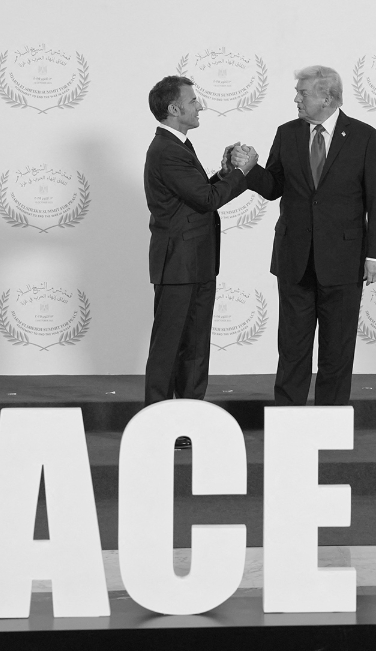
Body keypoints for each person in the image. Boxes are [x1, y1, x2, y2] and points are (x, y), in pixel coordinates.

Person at [239, 65, 376, 406]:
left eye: (302, 93)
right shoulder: (287, 133)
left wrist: (375, 254)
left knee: (337, 348)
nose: (296, 99)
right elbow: (274, 187)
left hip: (344, 260)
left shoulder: (364, 137)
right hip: (295, 258)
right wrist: (250, 170)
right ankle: (287, 416)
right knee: (292, 346)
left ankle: (330, 419)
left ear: (327, 98)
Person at [142, 75, 257, 447]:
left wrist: (223, 174)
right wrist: (241, 173)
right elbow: (207, 201)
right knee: (170, 348)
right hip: (179, 264)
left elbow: (196, 194)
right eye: (193, 101)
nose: (200, 106)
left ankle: (188, 423)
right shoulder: (166, 150)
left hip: (196, 262)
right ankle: (158, 426)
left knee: (194, 347)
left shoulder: (178, 146)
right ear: (174, 108)